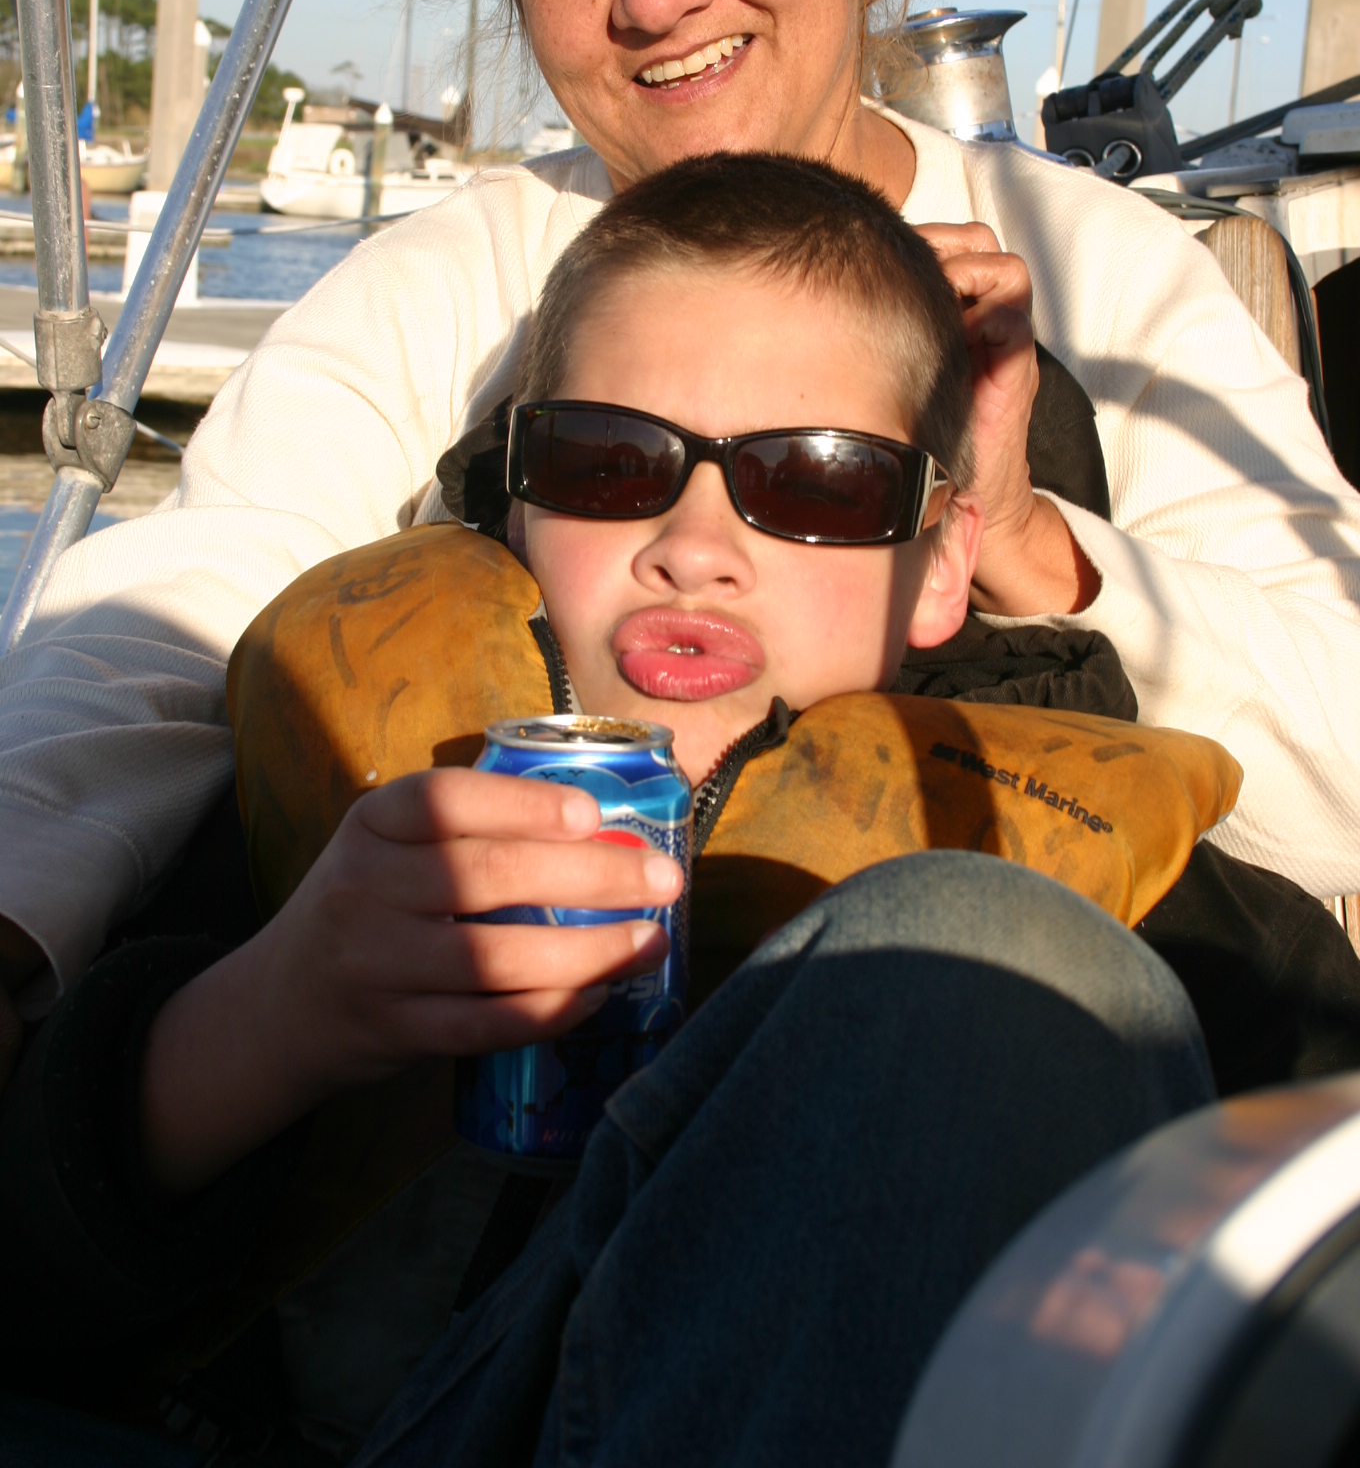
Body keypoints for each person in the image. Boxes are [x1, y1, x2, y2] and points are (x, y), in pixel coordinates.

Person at [0, 0, 1356, 1060]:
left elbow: (1344, 778)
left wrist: (1028, 531)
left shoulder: (1109, 275)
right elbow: (153, 635)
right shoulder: (445, 288)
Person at [0, 153, 1223, 1464]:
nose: (694, 547)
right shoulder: (335, 793)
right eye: (608, 462)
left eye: (816, 482)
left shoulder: (1147, 901)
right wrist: (277, 1007)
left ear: (938, 568)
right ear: (518, 507)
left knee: (994, 958)